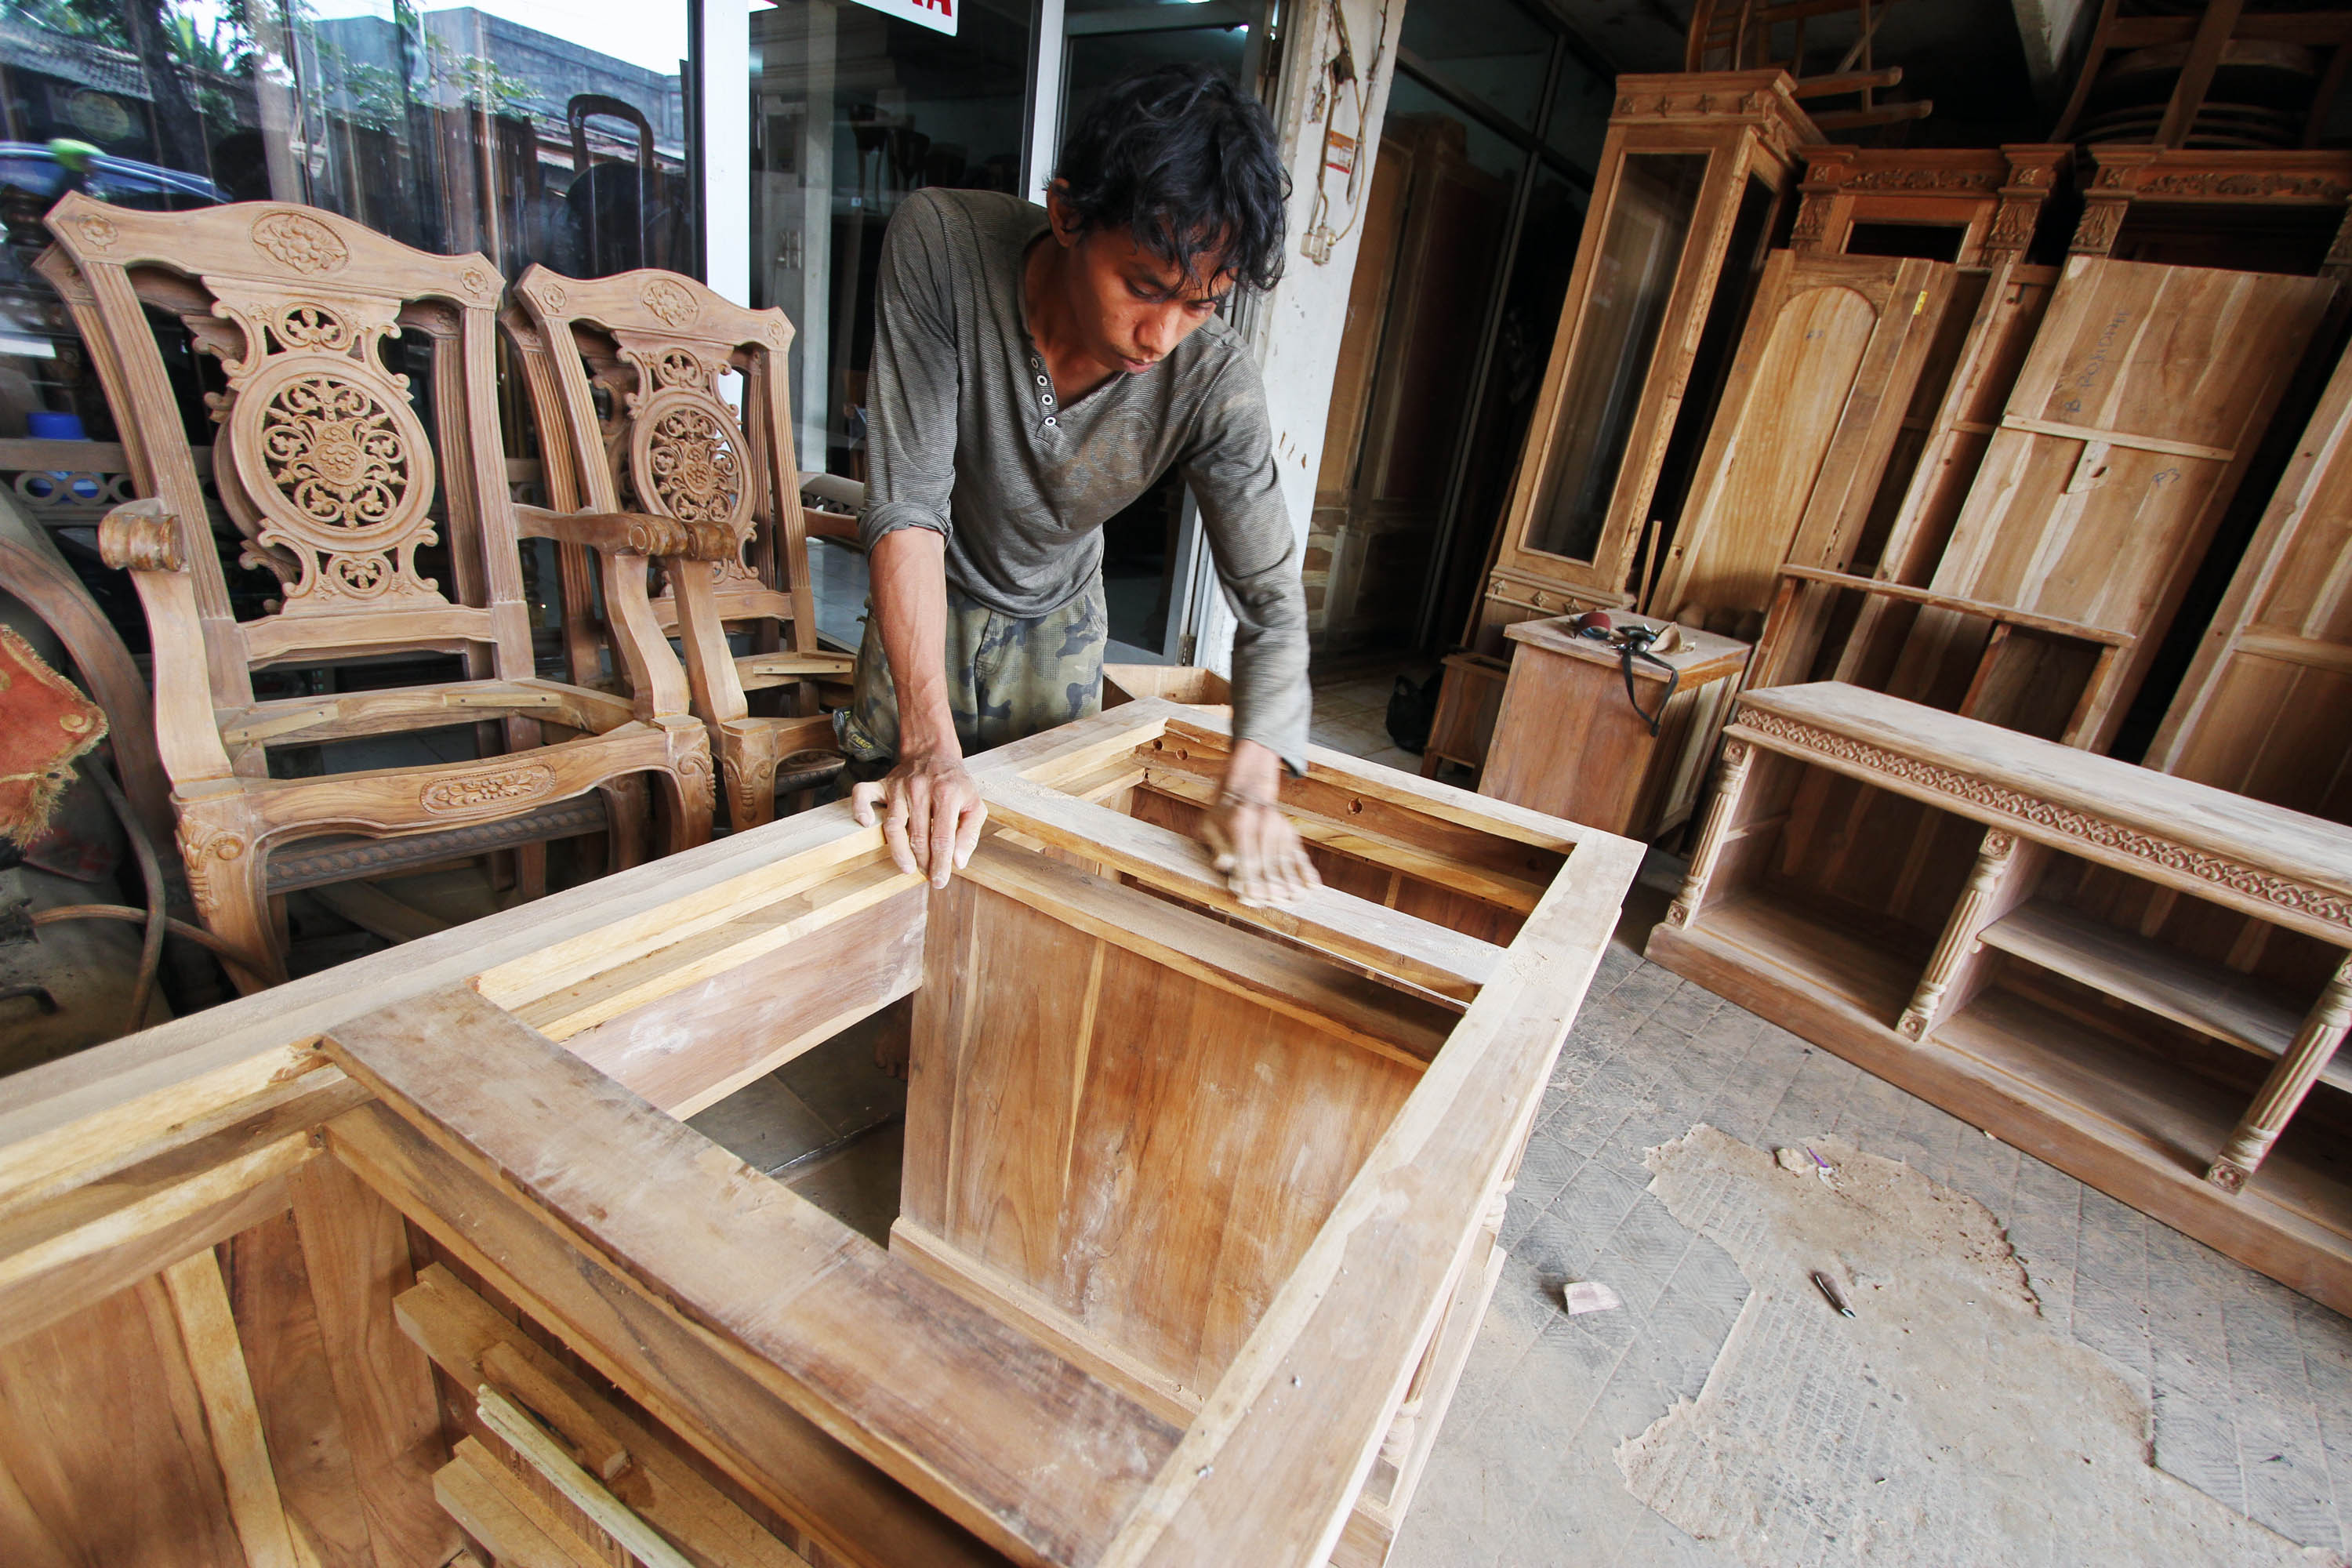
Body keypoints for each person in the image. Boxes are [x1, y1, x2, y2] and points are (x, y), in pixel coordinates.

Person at [844, 64, 1319, 909]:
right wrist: (926, 745)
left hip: (1062, 618)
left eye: (1200, 305)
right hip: (929, 595)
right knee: (888, 846)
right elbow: (909, 507)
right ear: (1067, 214)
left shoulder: (1214, 381)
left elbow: (1273, 604)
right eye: (1142, 286)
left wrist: (1252, 780)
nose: (1160, 335)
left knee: (1025, 872)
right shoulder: (944, 245)